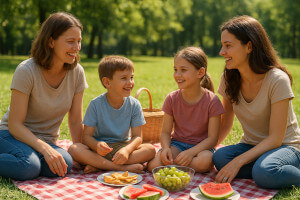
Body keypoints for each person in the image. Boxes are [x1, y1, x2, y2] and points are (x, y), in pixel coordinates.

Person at [213, 15, 300, 189]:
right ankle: (267, 168)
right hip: (251, 145)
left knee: (264, 172)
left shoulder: (277, 80)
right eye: (222, 45)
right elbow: (225, 123)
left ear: (249, 46)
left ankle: (273, 169)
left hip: (286, 146)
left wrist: (238, 162)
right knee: (219, 158)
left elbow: (276, 139)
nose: (222, 52)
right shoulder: (229, 78)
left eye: (228, 46)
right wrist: (207, 149)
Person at [0, 12, 88, 181]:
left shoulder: (77, 72)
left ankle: (31, 157)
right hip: (11, 135)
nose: (76, 47)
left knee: (64, 164)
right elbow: (15, 125)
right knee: (29, 166)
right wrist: (45, 149)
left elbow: (76, 120)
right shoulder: (26, 70)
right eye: (70, 41)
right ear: (51, 41)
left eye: (79, 41)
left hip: (46, 140)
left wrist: (81, 155)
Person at [68, 55, 156, 174]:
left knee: (150, 149)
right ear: (107, 82)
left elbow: (137, 137)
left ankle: (99, 166)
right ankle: (120, 168)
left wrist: (126, 150)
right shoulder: (95, 104)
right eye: (124, 78)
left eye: (131, 77)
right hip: (99, 151)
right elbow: (86, 137)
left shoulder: (134, 104)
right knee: (74, 149)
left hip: (122, 147)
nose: (130, 82)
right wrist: (97, 145)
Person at [147, 47, 225, 173]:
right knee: (153, 165)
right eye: (175, 70)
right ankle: (181, 166)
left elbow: (212, 139)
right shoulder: (171, 98)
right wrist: (166, 148)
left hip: (201, 149)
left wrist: (191, 153)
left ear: (200, 72)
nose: (177, 75)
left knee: (205, 162)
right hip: (177, 145)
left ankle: (173, 167)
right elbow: (165, 133)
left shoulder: (212, 101)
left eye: (183, 70)